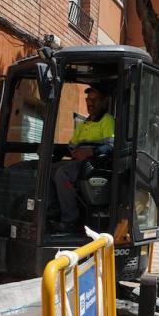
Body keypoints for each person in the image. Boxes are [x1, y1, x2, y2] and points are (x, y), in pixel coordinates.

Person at [52, 85, 115, 233]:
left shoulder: (107, 120)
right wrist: (51, 151)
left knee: (62, 174)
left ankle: (70, 220)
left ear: (104, 102)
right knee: (48, 170)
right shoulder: (84, 123)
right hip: (78, 160)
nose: (90, 103)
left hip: (93, 164)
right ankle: (54, 210)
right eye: (88, 100)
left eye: (95, 100)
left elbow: (111, 147)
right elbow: (71, 147)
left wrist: (90, 151)